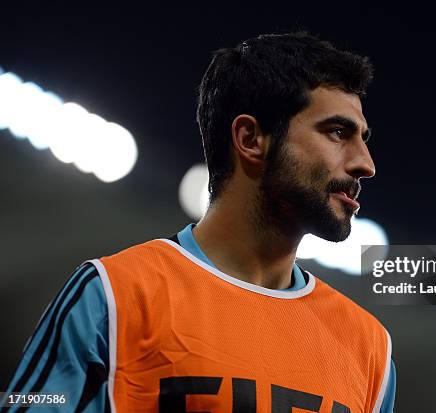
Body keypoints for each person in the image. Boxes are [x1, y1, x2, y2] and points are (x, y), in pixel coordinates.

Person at [2, 32, 395, 412]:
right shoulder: (111, 294)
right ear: (251, 138)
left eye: (363, 138)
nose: (366, 164)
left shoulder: (369, 348)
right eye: (338, 132)